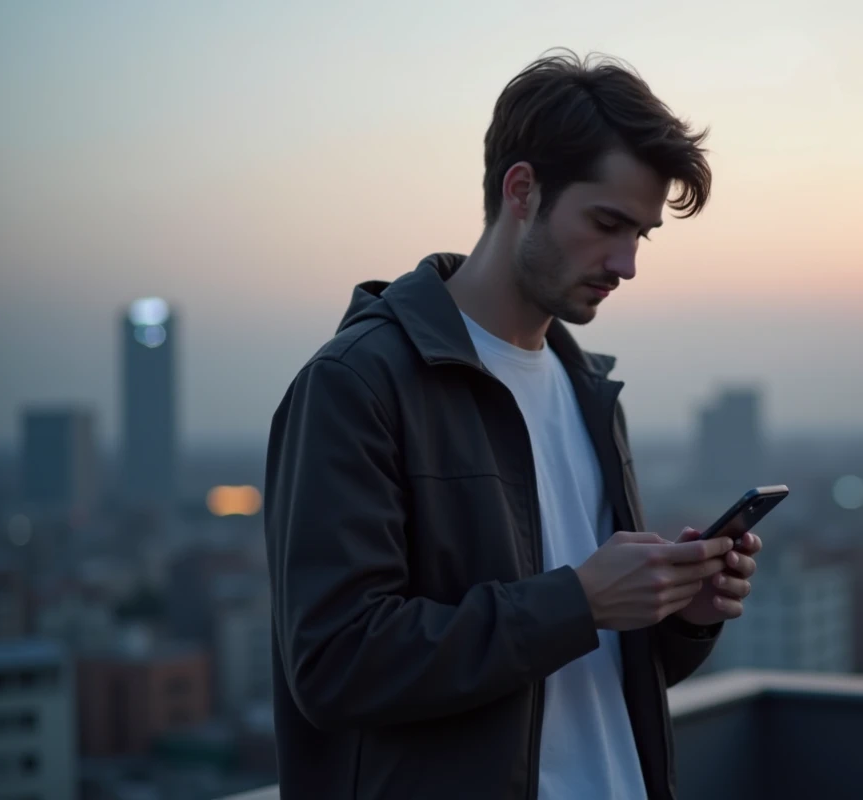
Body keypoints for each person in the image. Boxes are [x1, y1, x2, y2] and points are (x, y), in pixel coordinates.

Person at [264, 49, 765, 800]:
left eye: (642, 235)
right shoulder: (356, 384)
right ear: (522, 190)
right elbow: (335, 665)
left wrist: (678, 616)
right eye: (606, 223)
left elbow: (589, 669)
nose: (627, 263)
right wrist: (580, 599)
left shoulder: (591, 390)